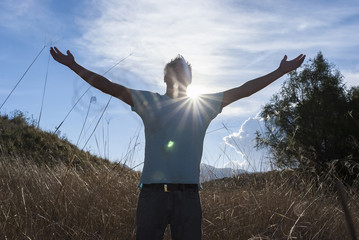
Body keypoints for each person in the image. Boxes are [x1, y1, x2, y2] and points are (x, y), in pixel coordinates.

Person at [50, 46, 305, 240]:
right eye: (173, 72)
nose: (177, 76)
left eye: (182, 73)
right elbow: (107, 86)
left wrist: (279, 72)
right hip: (152, 195)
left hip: (188, 197)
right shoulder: (149, 103)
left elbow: (244, 89)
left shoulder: (203, 107)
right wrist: (73, 65)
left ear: (190, 80)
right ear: (165, 78)